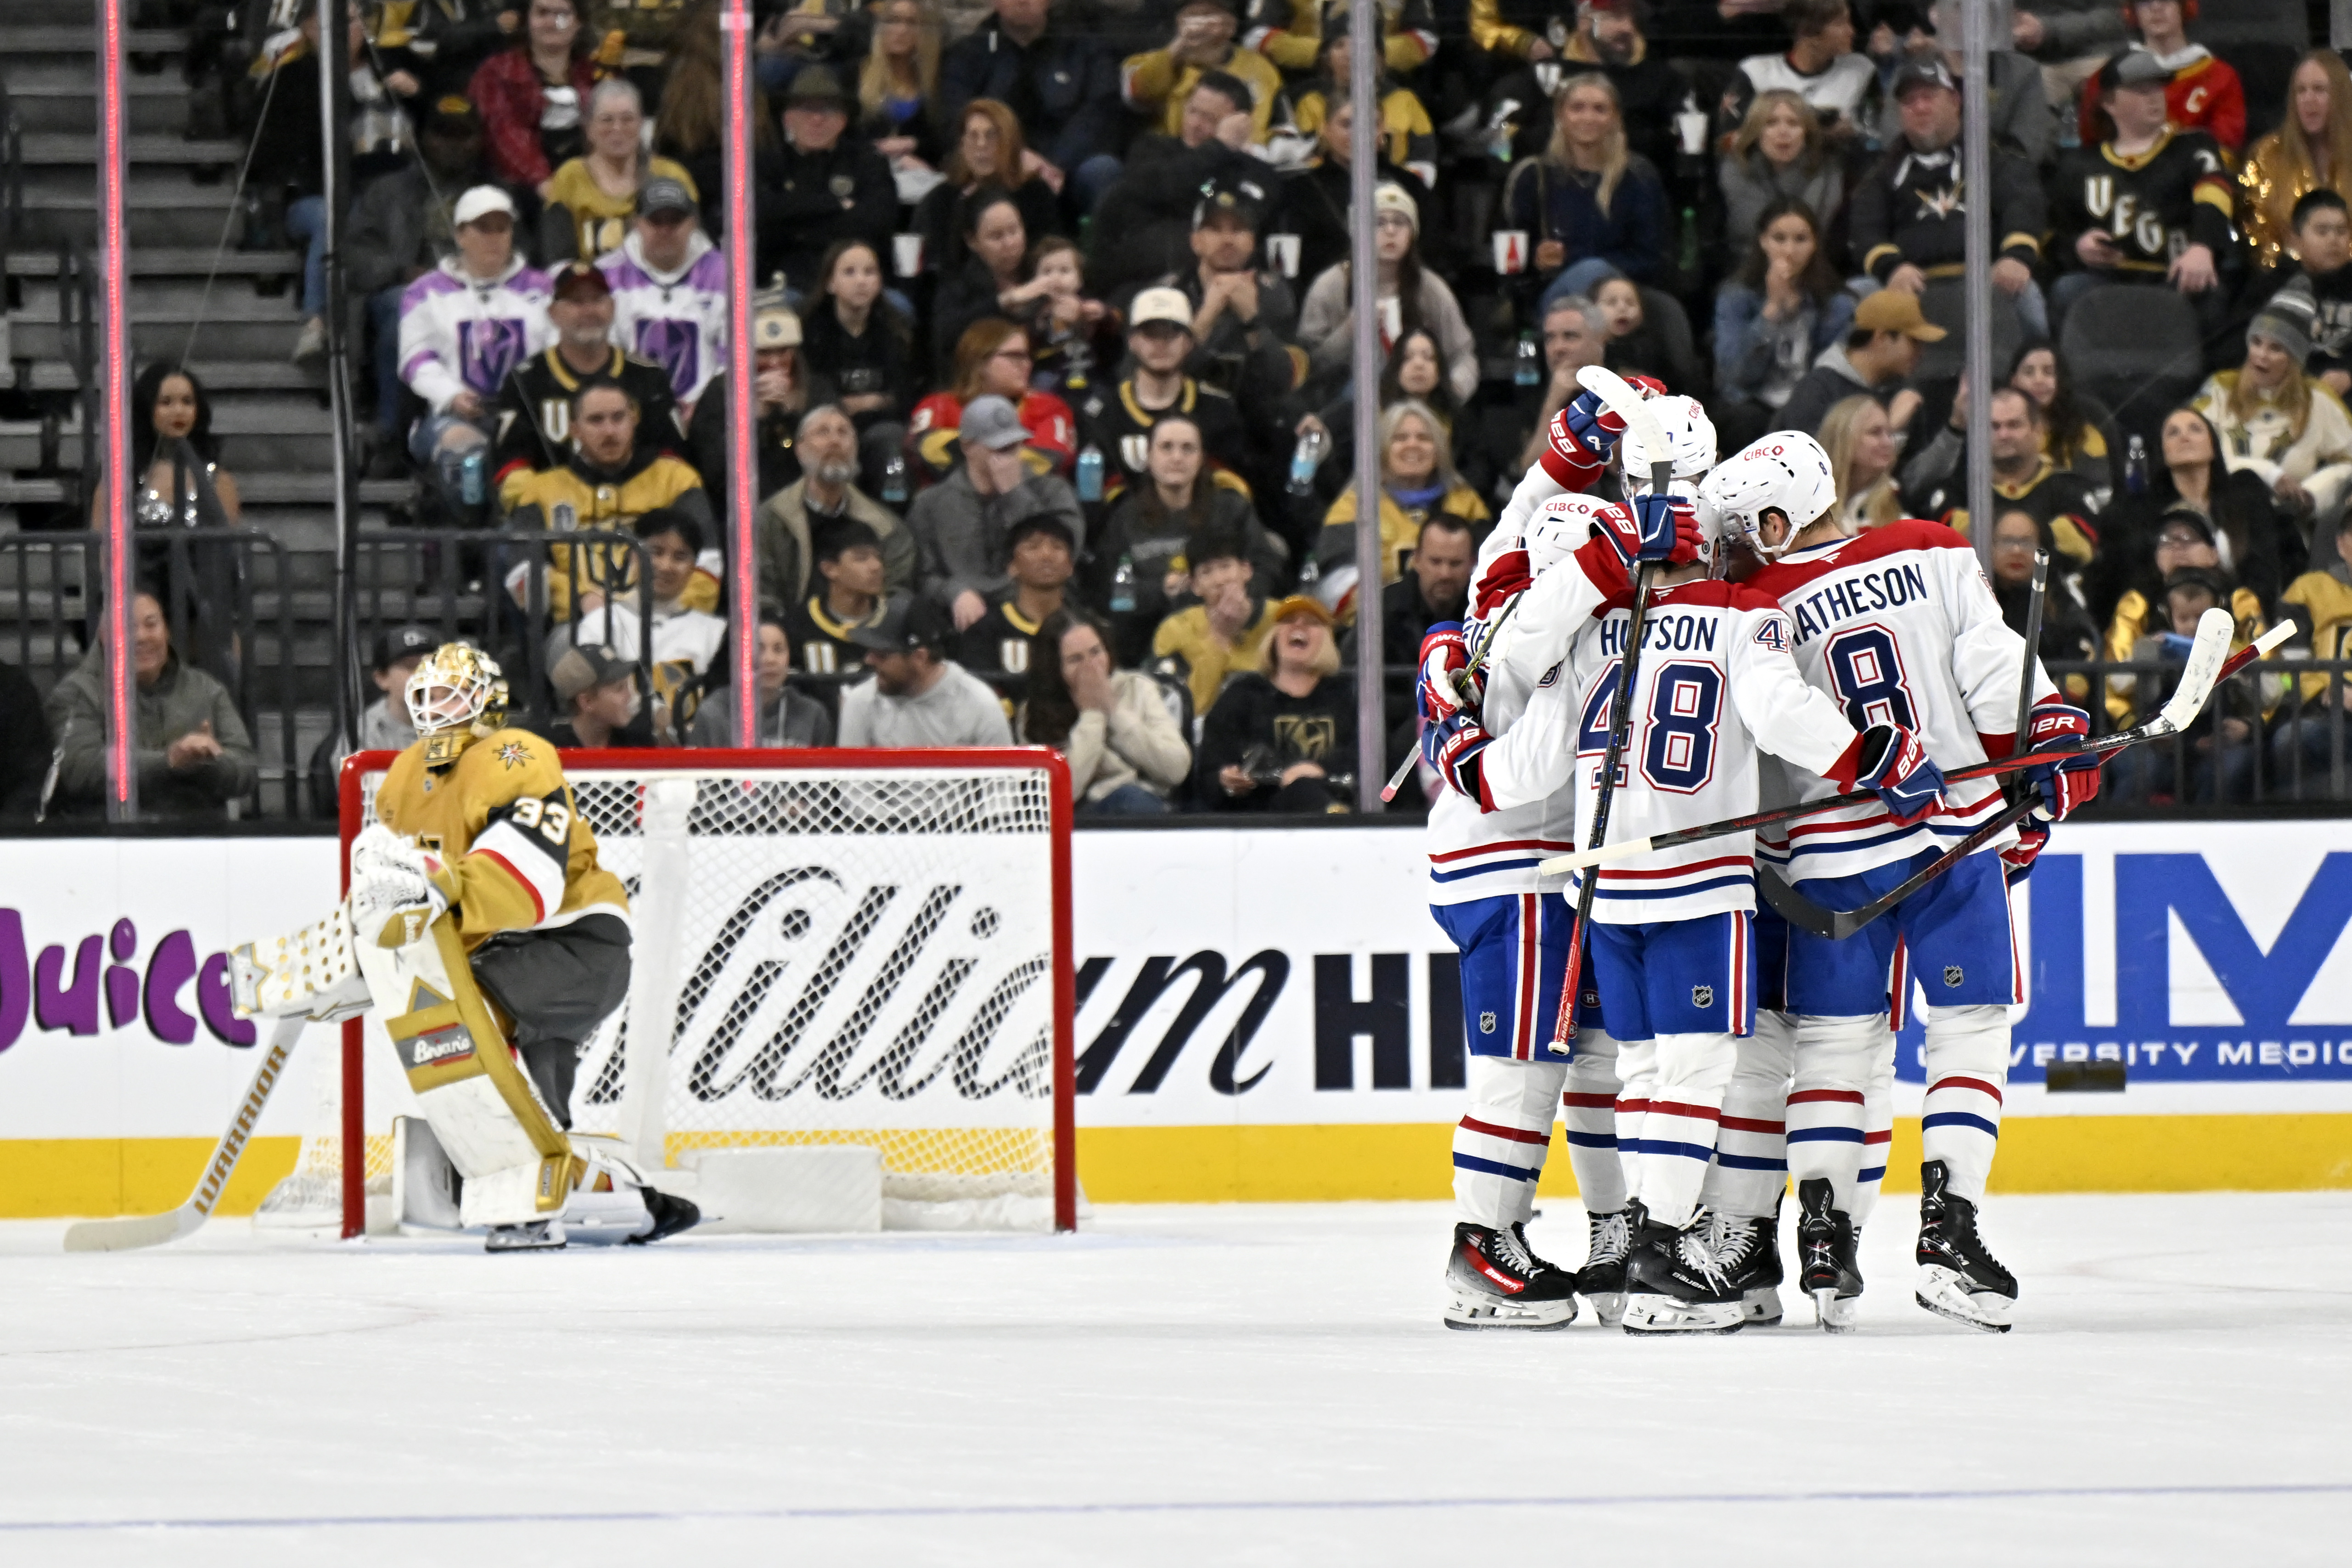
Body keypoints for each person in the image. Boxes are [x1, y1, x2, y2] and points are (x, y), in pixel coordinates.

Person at [1431, 433, 1906, 1333]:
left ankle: (1637, 1246)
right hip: (1698, 887)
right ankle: (1655, 1254)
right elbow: (1777, 713)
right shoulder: (1740, 615)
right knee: (1693, 1073)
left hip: (1604, 892)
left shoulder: (1590, 632)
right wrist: (1863, 755)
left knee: (1638, 1070)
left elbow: (1520, 771)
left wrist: (1465, 768)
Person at [1703, 430, 2102, 1332]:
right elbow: (1991, 670)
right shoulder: (1926, 545)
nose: (1732, 540)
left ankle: (1820, 1233)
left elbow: (1773, 713)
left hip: (1829, 857)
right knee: (1966, 1031)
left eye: (1743, 523)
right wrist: (2044, 738)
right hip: (1950, 840)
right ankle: (1946, 1231)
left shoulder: (1750, 601)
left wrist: (1854, 757)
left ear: (1778, 516)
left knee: (1836, 1047)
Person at [332, 640, 701, 1249]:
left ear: (486, 700)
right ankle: (636, 1206)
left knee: (459, 1022)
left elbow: (532, 876)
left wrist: (444, 883)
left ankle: (534, 1184)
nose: (439, 708)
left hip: (574, 940)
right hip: (494, 948)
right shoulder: (402, 775)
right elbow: (396, 878)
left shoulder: (517, 753)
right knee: (535, 1110)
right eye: (429, 696)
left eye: (453, 694)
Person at [253, 0, 425, 365]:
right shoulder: (292, 79)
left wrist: (416, 95)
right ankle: (317, 322)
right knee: (331, 216)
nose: (351, 29)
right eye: (337, 21)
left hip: (388, 193)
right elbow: (272, 152)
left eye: (355, 20)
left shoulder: (391, 68)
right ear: (310, 30)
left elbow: (430, 132)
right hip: (314, 194)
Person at [1852, 57, 2048, 340]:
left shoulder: (1997, 156)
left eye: (1929, 97)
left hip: (1987, 278)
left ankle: (2036, 371)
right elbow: (1865, 229)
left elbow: (2024, 205)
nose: (1920, 108)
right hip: (1912, 283)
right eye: (1909, 102)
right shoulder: (1883, 172)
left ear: (1955, 100)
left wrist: (2016, 257)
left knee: (2026, 297)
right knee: (1855, 298)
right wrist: (1891, 268)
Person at [2049, 50, 2232, 343]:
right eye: (2140, 89)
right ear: (2109, 102)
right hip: (2107, 284)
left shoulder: (2193, 146)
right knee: (2066, 291)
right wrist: (2078, 248)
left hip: (2176, 279)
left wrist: (2203, 247)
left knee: (2209, 297)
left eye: (2157, 88)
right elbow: (2056, 233)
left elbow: (2215, 193)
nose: (2154, 97)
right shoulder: (2079, 166)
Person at [349, 96, 499, 452]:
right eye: (443, 133)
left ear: (479, 139)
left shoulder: (496, 194)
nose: (452, 144)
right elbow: (354, 257)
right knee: (405, 310)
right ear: (421, 137)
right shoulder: (386, 191)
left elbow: (520, 254)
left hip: (481, 294)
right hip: (405, 289)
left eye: (463, 135)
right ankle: (390, 433)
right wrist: (401, 270)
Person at [502, 382, 719, 624]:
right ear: (575, 429)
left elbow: (709, 561)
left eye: (618, 418)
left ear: (634, 419)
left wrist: (666, 612)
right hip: (576, 628)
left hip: (668, 624)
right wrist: (580, 599)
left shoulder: (678, 480)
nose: (609, 431)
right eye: (596, 420)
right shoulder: (540, 491)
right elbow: (522, 573)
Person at [399, 186, 554, 516]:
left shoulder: (543, 289)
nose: (494, 238)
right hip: (456, 414)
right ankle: (469, 540)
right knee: (467, 461)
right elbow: (416, 359)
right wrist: (452, 395)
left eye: (503, 228)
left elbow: (556, 350)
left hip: (528, 416)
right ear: (460, 235)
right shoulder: (424, 292)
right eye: (483, 229)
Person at [45, 585, 259, 820]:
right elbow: (78, 769)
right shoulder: (77, 693)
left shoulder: (206, 689)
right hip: (110, 840)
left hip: (197, 839)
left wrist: (210, 764)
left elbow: (246, 768)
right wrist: (167, 762)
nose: (141, 637)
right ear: (105, 637)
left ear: (166, 631)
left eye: (151, 624)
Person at [492, 261, 681, 506]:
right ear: (553, 314)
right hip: (557, 520)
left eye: (598, 300)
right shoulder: (526, 381)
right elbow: (511, 468)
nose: (589, 310)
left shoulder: (648, 377)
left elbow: (673, 459)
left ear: (613, 308)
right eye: (576, 302)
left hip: (641, 515)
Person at [1092, 416, 1282, 651]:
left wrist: (1234, 594)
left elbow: (1267, 565)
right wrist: (1162, 589)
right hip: (1149, 640)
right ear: (1149, 457)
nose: (1177, 458)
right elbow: (1108, 590)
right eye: (1166, 447)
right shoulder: (1124, 518)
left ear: (1202, 459)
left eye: (1188, 449)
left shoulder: (1232, 509)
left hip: (1234, 633)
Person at [2094, 405, 2292, 626]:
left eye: (2195, 429)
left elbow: (2264, 573)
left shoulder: (2246, 497)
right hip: (2162, 629)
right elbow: (2125, 585)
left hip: (2238, 625)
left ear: (2213, 446)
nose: (2185, 437)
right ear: (2162, 451)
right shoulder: (2137, 513)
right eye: (2173, 433)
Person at [908, 395, 1087, 630]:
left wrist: (1015, 494)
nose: (1009, 454)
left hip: (1036, 611)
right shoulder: (931, 503)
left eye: (1014, 445)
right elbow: (923, 575)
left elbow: (1065, 555)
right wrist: (954, 592)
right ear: (967, 447)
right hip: (963, 618)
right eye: (998, 447)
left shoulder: (1053, 492)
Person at [1297, 183, 1477, 407]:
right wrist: (1349, 331)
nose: (1391, 231)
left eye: (1400, 223)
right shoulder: (1330, 286)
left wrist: (1449, 395)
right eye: (1379, 223)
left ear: (1412, 234)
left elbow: (1463, 356)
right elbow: (1308, 365)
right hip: (1344, 408)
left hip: (1417, 407)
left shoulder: (1431, 289)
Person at [939, 0, 1126, 215]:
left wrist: (1056, 163)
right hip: (993, 168)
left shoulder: (1086, 49)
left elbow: (1102, 110)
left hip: (1068, 168)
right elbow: (956, 118)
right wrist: (1013, 157)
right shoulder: (967, 54)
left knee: (1103, 171)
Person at [2195, 281, 2352, 535]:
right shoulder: (2219, 389)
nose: (2261, 355)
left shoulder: (2318, 400)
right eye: (2256, 343)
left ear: (2295, 358)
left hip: (2289, 531)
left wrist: (2312, 496)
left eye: (2275, 348)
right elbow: (2195, 452)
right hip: (2219, 524)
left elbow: (2349, 464)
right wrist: (2269, 474)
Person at [1503, 72, 1670, 306]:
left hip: (1622, 296)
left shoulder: (1639, 176)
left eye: (1600, 109)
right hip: (1556, 297)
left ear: (1616, 118)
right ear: (1560, 115)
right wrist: (1536, 257)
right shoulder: (1532, 175)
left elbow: (1650, 258)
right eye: (1577, 108)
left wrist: (1583, 265)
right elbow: (1510, 253)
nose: (1588, 118)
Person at [561, 509, 730, 739]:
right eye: (656, 552)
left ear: (693, 568)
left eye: (680, 557)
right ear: (633, 554)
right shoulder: (599, 625)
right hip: (619, 757)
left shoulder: (717, 632)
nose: (666, 566)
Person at [1075, 291, 1250, 501]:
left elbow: (1232, 490)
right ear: (1132, 342)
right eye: (1151, 334)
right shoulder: (1101, 415)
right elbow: (1095, 496)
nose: (1161, 344)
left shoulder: (1219, 410)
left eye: (1171, 334)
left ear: (1188, 343)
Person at [1713, 196, 1855, 452]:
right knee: (1742, 422)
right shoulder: (1737, 296)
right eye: (1779, 239)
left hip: (1810, 403)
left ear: (1815, 245)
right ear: (1763, 242)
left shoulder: (1837, 304)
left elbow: (1831, 376)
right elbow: (1735, 375)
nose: (1789, 251)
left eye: (1801, 240)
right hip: (1752, 403)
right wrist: (1770, 315)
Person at [1903, 385, 2103, 565]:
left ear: (2038, 430)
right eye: (1994, 426)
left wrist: (1985, 534)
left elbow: (2080, 547)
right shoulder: (1955, 492)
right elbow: (1945, 550)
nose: (2004, 435)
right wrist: (2040, 534)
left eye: (2014, 425)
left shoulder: (2071, 490)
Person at [1016, 608, 1190, 813]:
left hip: (1145, 805)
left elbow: (1176, 768)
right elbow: (1059, 795)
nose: (1091, 667)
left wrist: (1115, 712)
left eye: (1096, 652)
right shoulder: (1034, 713)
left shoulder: (1138, 688)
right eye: (1076, 660)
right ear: (1055, 668)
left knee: (1134, 800)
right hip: (1078, 818)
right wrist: (1093, 714)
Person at [1196, 595, 1357, 813]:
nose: (1299, 626)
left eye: (1312, 622)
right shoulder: (1243, 695)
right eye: (1288, 620)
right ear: (1274, 637)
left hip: (1334, 806)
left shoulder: (1347, 695)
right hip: (1261, 820)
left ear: (1328, 640)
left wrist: (1319, 771)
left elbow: (1371, 763)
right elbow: (1209, 773)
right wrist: (1226, 780)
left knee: (1305, 790)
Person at [1266, 93, 1438, 295]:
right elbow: (1284, 266)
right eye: (1347, 124)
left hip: (1402, 300)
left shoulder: (1410, 187)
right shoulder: (1297, 191)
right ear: (1325, 129)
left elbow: (1434, 252)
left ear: (1383, 130)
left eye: (1371, 124)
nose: (1359, 134)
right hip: (1324, 301)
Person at [1317, 400, 1490, 601]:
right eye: (1400, 438)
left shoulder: (1467, 504)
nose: (1413, 445)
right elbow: (1337, 588)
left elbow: (1488, 571)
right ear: (1381, 450)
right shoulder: (1353, 507)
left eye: (1424, 438)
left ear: (1439, 450)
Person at [757, 404, 916, 617]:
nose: (835, 441)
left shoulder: (886, 528)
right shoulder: (767, 521)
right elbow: (760, 597)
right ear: (800, 450)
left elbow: (897, 597)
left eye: (844, 433)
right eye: (822, 432)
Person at [759, 67, 896, 293]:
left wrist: (797, 227)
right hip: (787, 282)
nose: (817, 119)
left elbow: (877, 223)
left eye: (828, 110)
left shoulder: (868, 162)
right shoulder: (769, 162)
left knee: (900, 309)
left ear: (843, 120)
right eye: (806, 109)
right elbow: (761, 215)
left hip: (859, 283)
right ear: (788, 119)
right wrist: (836, 204)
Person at [597, 177, 728, 411]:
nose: (666, 230)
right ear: (637, 223)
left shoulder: (725, 274)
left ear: (693, 223)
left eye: (675, 221)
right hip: (631, 413)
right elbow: (604, 355)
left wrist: (706, 408)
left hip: (707, 414)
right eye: (656, 221)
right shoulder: (607, 275)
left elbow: (732, 356)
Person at [799, 238, 918, 482]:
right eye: (849, 272)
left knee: (892, 446)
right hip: (828, 429)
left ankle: (895, 508)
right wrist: (863, 403)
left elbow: (906, 394)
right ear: (830, 283)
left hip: (883, 429)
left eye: (869, 272)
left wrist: (866, 402)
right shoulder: (809, 331)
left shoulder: (898, 331)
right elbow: (811, 391)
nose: (861, 281)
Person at [543, 78, 700, 263]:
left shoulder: (672, 175)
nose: (617, 128)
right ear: (589, 128)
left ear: (642, 123)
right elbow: (558, 258)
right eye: (607, 120)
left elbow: (696, 246)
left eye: (628, 119)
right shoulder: (570, 177)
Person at [1264, 19, 1437, 185]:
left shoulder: (1405, 100)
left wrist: (1395, 189)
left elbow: (1423, 161)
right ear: (1326, 57)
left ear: (1380, 57)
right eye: (1340, 45)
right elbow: (1288, 160)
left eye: (1363, 45)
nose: (1350, 54)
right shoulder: (1302, 99)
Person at [684, 283, 809, 511]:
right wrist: (754, 419)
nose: (774, 362)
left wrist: (791, 417)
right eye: (763, 352)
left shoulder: (815, 390)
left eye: (783, 351)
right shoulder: (719, 395)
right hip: (738, 516)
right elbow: (715, 477)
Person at [909, 319, 1080, 482]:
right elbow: (924, 446)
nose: (1027, 364)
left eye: (1028, 356)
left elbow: (1046, 459)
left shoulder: (1050, 408)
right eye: (1015, 356)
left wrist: (971, 451)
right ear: (980, 360)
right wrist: (1006, 455)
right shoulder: (938, 405)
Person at [913, 99, 1063, 281]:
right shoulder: (942, 198)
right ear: (962, 144)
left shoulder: (1036, 195)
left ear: (1011, 143)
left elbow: (1049, 257)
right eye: (973, 136)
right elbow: (938, 266)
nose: (981, 145)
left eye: (991, 136)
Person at [839, 593, 1016, 747]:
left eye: (882, 654)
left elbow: (1002, 784)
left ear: (920, 657)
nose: (869, 660)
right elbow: (850, 782)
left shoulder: (979, 705)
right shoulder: (862, 702)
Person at [2071, 0, 2243, 155]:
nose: (2156, 7)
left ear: (2185, 6)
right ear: (2132, 12)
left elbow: (2226, 148)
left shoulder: (2220, 76)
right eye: (2144, 2)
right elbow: (2092, 145)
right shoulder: (2108, 78)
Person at [470, 0, 603, 195]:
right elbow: (504, 132)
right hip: (518, 188)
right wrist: (543, 181)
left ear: (579, 23)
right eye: (542, 13)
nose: (551, 22)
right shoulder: (496, 72)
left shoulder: (597, 74)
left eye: (562, 15)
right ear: (527, 21)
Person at [2239, 51, 2352, 278]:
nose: (2309, 100)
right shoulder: (2267, 155)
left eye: (2320, 90)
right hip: (2286, 280)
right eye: (2301, 91)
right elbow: (2257, 233)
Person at [1776, 286, 1939, 441]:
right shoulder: (1818, 390)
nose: (1921, 352)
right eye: (1914, 342)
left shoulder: (1901, 394)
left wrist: (1955, 428)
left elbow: (1919, 471)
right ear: (1881, 338)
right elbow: (1815, 466)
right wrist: (1888, 429)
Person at [1151, 522, 1277, 714]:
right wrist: (1219, 637)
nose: (1219, 580)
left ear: (1246, 571)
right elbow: (1189, 710)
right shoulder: (1175, 629)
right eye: (1207, 572)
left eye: (1226, 567)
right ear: (1195, 586)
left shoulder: (1281, 617)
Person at [1122, 0, 1284, 147]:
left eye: (1209, 16)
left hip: (1247, 164)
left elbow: (1282, 125)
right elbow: (1138, 94)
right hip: (1178, 163)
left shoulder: (1261, 68)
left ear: (1231, 25)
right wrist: (1179, 48)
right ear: (1178, 22)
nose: (1201, 26)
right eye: (1192, 17)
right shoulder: (1150, 62)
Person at [311, 623, 439, 803]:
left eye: (429, 665)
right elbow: (360, 805)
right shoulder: (362, 736)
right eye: (409, 668)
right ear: (382, 679)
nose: (422, 675)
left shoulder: (466, 724)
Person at [1717, 91, 1846, 270]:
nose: (1783, 132)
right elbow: (1750, 228)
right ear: (1756, 131)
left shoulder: (1828, 169)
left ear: (1806, 132)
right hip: (1747, 269)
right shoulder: (1737, 167)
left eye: (1794, 123)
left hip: (1813, 271)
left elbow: (1812, 227)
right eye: (1771, 123)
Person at [2273, 510, 2352, 797]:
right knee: (2291, 739)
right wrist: (2328, 692)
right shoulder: (2307, 590)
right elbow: (2291, 663)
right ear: (2342, 544)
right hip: (2328, 715)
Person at [1725, 0, 1875, 147]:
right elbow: (1728, 140)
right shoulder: (1757, 72)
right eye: (1840, 23)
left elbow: (1878, 135)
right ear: (1807, 31)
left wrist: (1854, 134)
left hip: (1838, 166)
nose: (1852, 31)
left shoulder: (1861, 70)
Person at [957, 512, 1079, 684]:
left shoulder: (1086, 627)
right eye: (1033, 547)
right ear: (1012, 566)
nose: (1046, 556)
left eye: (1057, 547)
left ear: (1070, 566)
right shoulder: (985, 631)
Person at [929, 188, 1042, 372]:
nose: (1009, 244)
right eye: (996, 237)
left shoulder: (1041, 269)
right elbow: (946, 336)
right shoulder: (958, 283)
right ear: (972, 241)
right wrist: (1002, 302)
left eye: (1014, 231)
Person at [684, 613, 836, 748]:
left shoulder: (812, 714)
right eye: (759, 649)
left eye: (778, 650)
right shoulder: (713, 713)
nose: (770, 660)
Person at [1987, 507, 2102, 677]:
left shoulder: (2057, 600)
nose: (2017, 551)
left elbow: (2083, 645)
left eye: (2026, 542)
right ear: (1989, 547)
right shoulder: (1974, 597)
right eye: (2007, 542)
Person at [783, 517, 894, 676]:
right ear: (829, 569)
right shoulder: (796, 628)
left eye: (878, 557)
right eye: (862, 558)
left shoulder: (899, 621)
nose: (876, 566)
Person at [1511, 294, 1604, 478]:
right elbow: (1529, 474)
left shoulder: (1629, 386)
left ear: (1599, 341)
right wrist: (1552, 405)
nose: (1558, 348)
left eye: (1570, 337)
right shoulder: (1533, 399)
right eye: (1550, 339)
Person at [1019, 237, 1120, 405]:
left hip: (1089, 375)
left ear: (1080, 278)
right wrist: (1040, 324)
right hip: (1049, 379)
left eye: (1064, 271)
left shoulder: (1091, 308)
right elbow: (1025, 346)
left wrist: (1102, 316)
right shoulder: (1033, 314)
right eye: (1047, 272)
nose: (1055, 279)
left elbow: (1115, 330)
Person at [2008, 340, 2116, 496]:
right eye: (2029, 372)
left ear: (2060, 381)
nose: (2039, 380)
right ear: (2014, 381)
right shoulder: (1998, 432)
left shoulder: (2083, 435)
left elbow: (2099, 494)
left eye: (2048, 372)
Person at [857, 0, 948, 180]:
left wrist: (914, 144)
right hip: (866, 176)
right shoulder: (855, 75)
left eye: (912, 23)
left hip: (920, 178)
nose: (902, 30)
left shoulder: (937, 81)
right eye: (893, 21)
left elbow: (944, 140)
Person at [2284, 191, 2352, 397]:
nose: (2334, 240)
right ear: (2296, 240)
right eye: (2322, 232)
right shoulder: (2276, 284)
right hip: (2289, 391)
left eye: (2342, 231)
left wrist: (2349, 375)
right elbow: (2237, 348)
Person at [545, 643, 659, 749]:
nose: (630, 695)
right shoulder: (550, 749)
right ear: (587, 701)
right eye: (619, 689)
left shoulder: (638, 742)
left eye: (628, 686)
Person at [1817, 392, 1902, 528]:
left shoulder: (1900, 502)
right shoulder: (1810, 502)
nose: (1888, 442)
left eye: (1890, 433)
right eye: (1875, 432)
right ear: (1843, 439)